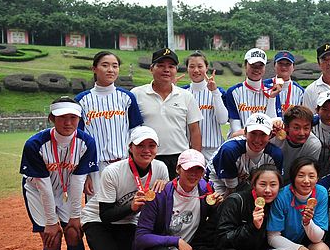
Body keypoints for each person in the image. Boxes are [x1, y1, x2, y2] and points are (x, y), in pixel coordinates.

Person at [81, 126, 168, 250]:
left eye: (151, 145)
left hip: (129, 220)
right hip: (97, 220)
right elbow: (105, 215)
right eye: (141, 145)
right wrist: (131, 207)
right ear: (130, 147)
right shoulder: (113, 171)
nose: (146, 150)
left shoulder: (160, 168)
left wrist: (165, 187)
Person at [20, 97, 98, 250]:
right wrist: (51, 222)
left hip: (67, 190)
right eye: (62, 117)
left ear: (79, 119)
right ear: (51, 118)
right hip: (38, 191)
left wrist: (75, 217)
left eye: (73, 117)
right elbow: (43, 186)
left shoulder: (86, 142)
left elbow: (78, 181)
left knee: (74, 234)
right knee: (52, 239)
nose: (68, 122)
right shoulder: (35, 144)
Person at [75, 50, 143, 195]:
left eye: (115, 66)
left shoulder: (127, 97)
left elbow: (136, 132)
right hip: (96, 167)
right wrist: (85, 173)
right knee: (98, 207)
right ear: (94, 69)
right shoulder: (82, 100)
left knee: (127, 205)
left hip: (125, 163)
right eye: (105, 65)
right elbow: (78, 140)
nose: (111, 70)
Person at [264, 158, 330, 250]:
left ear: (317, 178)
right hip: (280, 246)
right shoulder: (282, 196)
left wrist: (307, 222)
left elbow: (317, 238)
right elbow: (273, 237)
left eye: (311, 176)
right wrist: (300, 249)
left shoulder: (321, 193)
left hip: (307, 242)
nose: (306, 181)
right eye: (301, 175)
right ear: (293, 177)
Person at [131, 48, 202, 179]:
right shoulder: (136, 94)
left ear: (176, 70)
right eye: (161, 66)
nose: (166, 70)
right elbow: (130, 129)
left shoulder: (186, 96)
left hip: (179, 158)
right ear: (151, 68)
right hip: (147, 157)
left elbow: (195, 130)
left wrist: (195, 159)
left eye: (171, 66)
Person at [206, 113, 283, 197]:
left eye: (263, 134)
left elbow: (275, 186)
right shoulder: (230, 150)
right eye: (253, 133)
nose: (257, 140)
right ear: (245, 132)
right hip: (219, 182)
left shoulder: (275, 155)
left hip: (244, 182)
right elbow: (231, 190)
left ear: (270, 135)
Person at [182, 51, 229, 162]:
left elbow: (223, 120)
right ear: (187, 69)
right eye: (192, 67)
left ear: (206, 68)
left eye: (200, 66)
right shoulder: (182, 92)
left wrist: (214, 92)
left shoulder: (218, 91)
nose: (196, 70)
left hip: (213, 150)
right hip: (189, 151)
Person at [225, 48, 280, 136]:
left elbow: (272, 123)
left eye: (260, 66)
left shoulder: (273, 91)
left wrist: (272, 98)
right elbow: (236, 130)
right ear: (245, 65)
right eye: (253, 65)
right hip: (239, 141)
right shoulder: (233, 92)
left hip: (264, 141)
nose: (257, 69)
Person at [271, 105, 321, 184]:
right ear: (286, 127)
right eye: (296, 128)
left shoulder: (313, 145)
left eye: (306, 128)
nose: (302, 133)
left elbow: (307, 173)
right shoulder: (274, 137)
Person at [264, 50, 305, 117]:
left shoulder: (300, 92)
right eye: (280, 63)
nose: (284, 67)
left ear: (293, 67)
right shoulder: (264, 86)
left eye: (288, 64)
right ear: (274, 65)